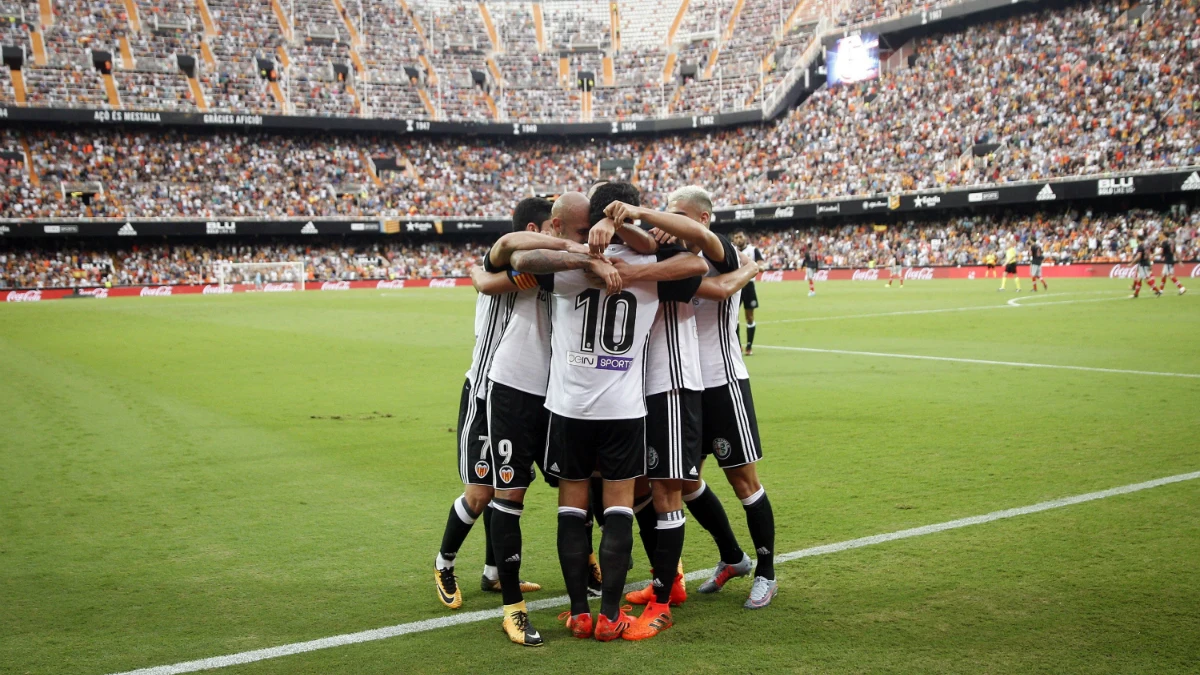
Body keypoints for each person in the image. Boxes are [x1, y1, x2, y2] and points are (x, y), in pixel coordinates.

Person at [510, 182, 699, 641]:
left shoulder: (569, 269)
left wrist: (583, 255)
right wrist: (624, 234)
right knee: (619, 510)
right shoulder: (650, 266)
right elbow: (696, 261)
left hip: (570, 407)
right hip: (624, 408)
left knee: (571, 509)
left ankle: (579, 612)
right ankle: (611, 614)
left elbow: (519, 259)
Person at [619, 185, 778, 610]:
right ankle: (732, 557)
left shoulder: (718, 249)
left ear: (702, 219)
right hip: (684, 386)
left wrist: (746, 270)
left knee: (744, 481)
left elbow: (722, 284)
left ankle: (766, 571)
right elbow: (722, 286)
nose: (669, 224)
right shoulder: (671, 257)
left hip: (723, 381)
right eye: (667, 215)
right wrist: (750, 270)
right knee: (686, 482)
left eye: (679, 216)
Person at [432, 199, 577, 613]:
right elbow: (491, 270)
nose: (559, 234)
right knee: (480, 492)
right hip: (484, 392)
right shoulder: (504, 262)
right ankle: (444, 564)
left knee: (509, 487)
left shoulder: (545, 269)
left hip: (522, 393)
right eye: (554, 226)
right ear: (536, 227)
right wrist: (479, 275)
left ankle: (494, 573)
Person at [730, 230, 764, 355]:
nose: (739, 239)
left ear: (745, 238)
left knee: (749, 317)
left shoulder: (753, 250)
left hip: (748, 286)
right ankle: (738, 345)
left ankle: (749, 346)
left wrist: (753, 266)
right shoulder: (731, 250)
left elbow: (761, 265)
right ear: (733, 240)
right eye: (736, 237)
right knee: (734, 316)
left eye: (740, 237)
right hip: (736, 285)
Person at [1130, 234, 1162, 299]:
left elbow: (1139, 256)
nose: (1136, 240)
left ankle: (1157, 291)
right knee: (1139, 279)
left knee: (1146, 279)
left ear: (1138, 239)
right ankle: (1136, 294)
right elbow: (1148, 254)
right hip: (1145, 263)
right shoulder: (1147, 246)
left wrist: (1132, 263)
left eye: (1136, 239)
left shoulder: (1140, 246)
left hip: (1143, 264)